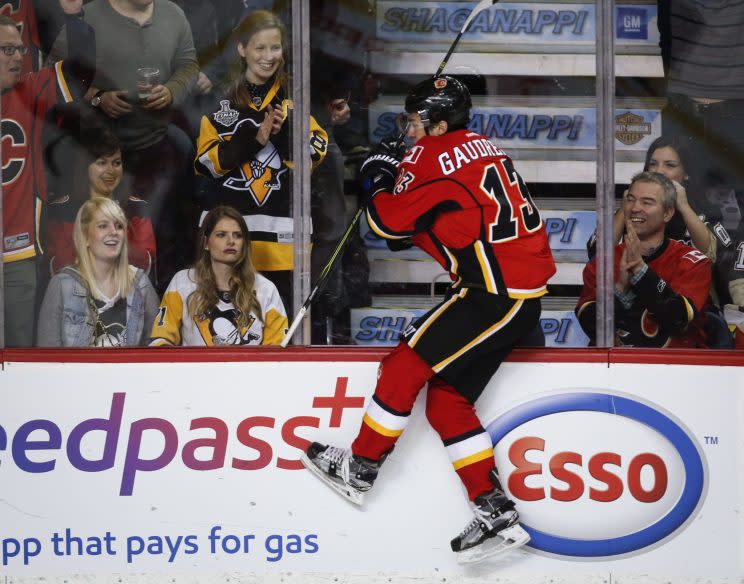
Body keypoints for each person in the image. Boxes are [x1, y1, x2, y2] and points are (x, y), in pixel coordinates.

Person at [301, 76, 556, 563]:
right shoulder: (484, 147)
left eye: (416, 122)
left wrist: (377, 174)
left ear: (439, 124)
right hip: (520, 295)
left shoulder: (430, 155)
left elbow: (384, 223)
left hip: (492, 295)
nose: (409, 129)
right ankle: (495, 512)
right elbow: (444, 218)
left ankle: (359, 469)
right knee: (447, 402)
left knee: (402, 365)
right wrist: (404, 175)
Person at [48, 0, 200, 290]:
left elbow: (188, 64)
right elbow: (54, 72)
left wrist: (172, 90)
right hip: (99, 155)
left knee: (165, 243)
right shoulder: (89, 16)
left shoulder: (173, 14)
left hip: (156, 148)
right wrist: (96, 97)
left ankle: (162, 315)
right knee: (101, 244)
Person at [194, 9, 328, 309]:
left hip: (285, 247)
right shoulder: (219, 98)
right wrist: (254, 141)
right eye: (260, 47)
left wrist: (284, 136)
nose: (269, 56)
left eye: (275, 47)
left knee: (281, 337)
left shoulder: (298, 94)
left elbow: (317, 152)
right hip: (228, 250)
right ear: (242, 49)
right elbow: (207, 163)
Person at [0, 0, 94, 347]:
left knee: (19, 350)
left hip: (17, 253)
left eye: (20, 49)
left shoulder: (29, 92)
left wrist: (75, 18)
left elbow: (82, 73)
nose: (17, 57)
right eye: (7, 49)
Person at [576, 171, 712, 348]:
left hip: (676, 371)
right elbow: (589, 324)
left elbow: (677, 318)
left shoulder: (692, 262)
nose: (634, 208)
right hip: (613, 371)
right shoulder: (604, 261)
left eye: (647, 202)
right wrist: (619, 290)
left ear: (667, 214)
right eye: (630, 200)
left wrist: (641, 271)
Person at [149, 205, 287, 346]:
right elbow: (161, 340)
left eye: (238, 235)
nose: (231, 241)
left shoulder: (266, 289)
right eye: (221, 235)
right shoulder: (183, 282)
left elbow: (277, 353)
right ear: (206, 243)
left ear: (244, 244)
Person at [37, 196, 159, 346]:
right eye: (103, 226)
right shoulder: (61, 285)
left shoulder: (140, 284)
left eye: (119, 226)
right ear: (85, 236)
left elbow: (156, 349)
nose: (114, 232)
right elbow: (47, 359)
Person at [45, 127, 156, 275]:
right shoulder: (61, 208)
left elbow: (147, 262)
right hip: (75, 290)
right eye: (102, 163)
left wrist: (102, 245)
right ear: (85, 166)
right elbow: (54, 266)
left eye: (116, 163)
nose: (111, 171)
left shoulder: (135, 206)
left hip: (125, 289)